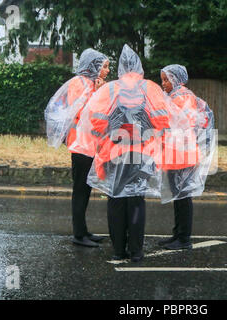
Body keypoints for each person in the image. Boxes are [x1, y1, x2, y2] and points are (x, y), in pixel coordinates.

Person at [70, 44, 173, 262]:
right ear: (139, 67)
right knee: (136, 199)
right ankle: (136, 251)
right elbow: (164, 120)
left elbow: (95, 121)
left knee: (115, 198)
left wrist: (112, 132)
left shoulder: (109, 89)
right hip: (141, 153)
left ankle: (119, 249)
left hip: (113, 152)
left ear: (120, 69)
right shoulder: (151, 88)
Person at [45, 48, 109, 247]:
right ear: (94, 66)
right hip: (81, 146)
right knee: (80, 190)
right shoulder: (79, 83)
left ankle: (83, 231)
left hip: (89, 146)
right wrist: (99, 93)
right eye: (104, 66)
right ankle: (79, 235)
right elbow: (83, 112)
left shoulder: (90, 83)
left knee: (86, 189)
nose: (106, 71)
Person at [158, 64, 215, 250]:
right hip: (178, 153)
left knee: (183, 196)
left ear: (176, 79)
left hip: (182, 154)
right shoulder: (175, 96)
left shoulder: (181, 97)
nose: (163, 83)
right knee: (179, 196)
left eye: (166, 79)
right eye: (162, 79)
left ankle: (184, 239)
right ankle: (178, 234)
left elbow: (175, 121)